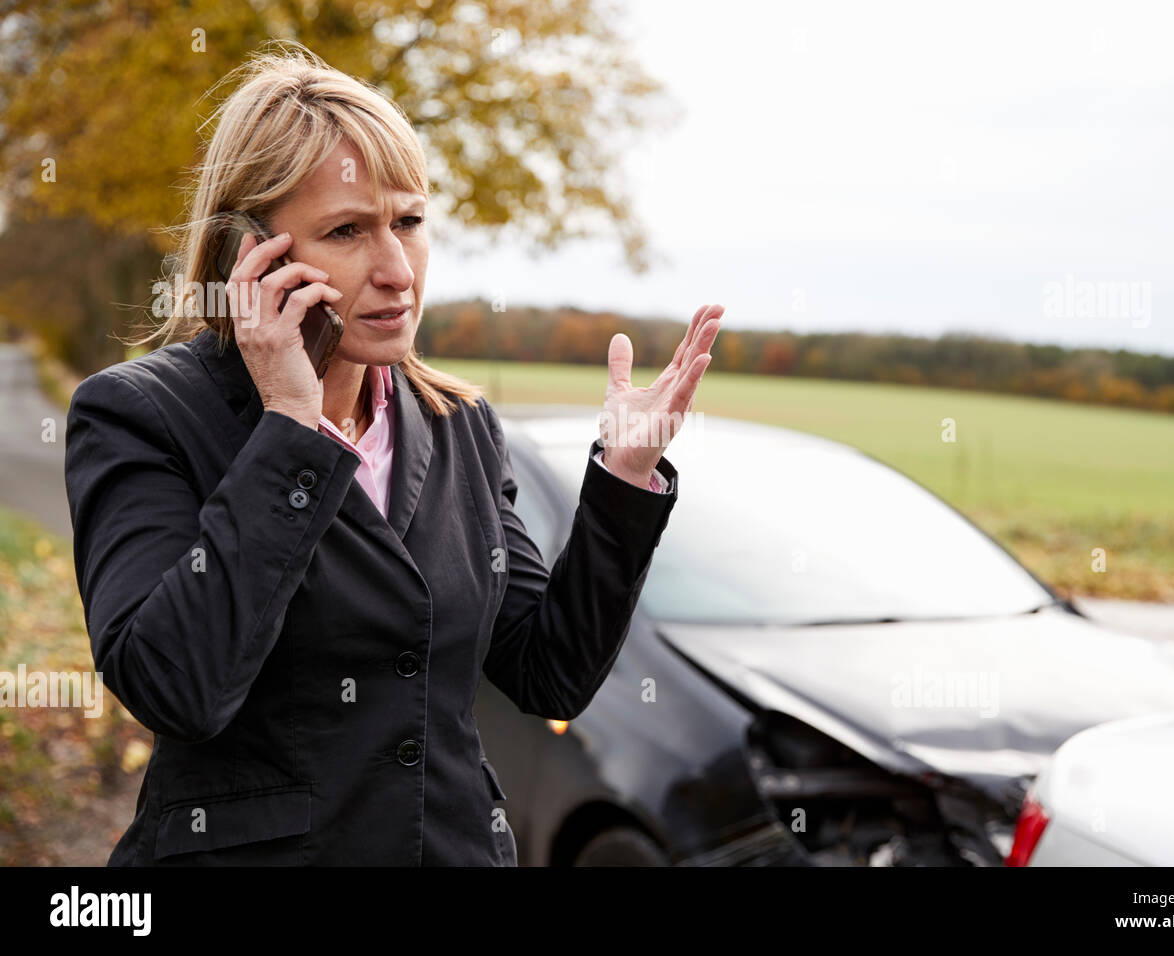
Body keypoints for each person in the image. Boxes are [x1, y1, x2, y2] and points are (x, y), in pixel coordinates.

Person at [63, 43, 722, 865]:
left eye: (408, 222)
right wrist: (293, 431)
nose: (396, 270)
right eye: (347, 231)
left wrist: (621, 482)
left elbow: (547, 673)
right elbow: (175, 688)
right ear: (251, 258)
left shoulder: (458, 424)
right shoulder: (142, 415)